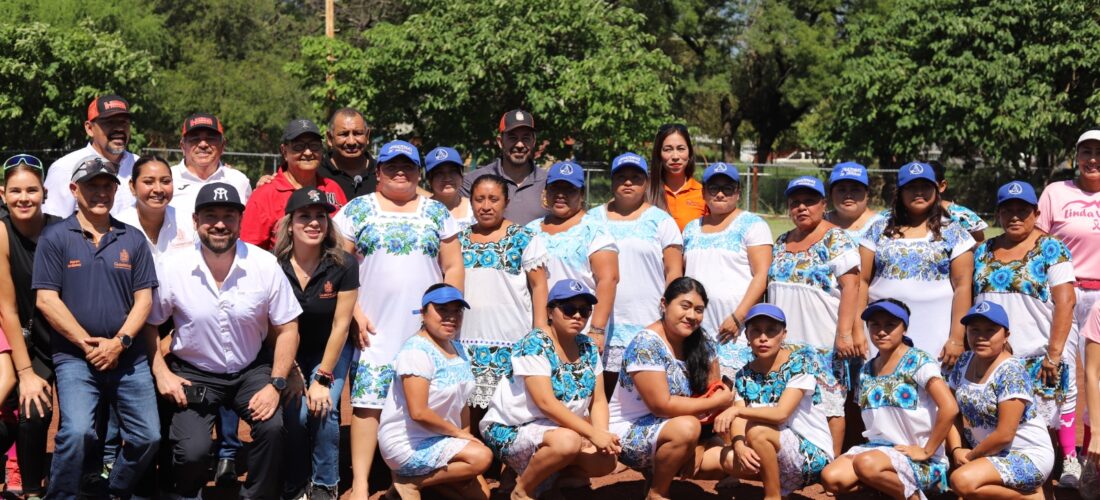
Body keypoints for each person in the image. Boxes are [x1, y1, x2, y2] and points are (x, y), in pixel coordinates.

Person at [145, 182, 301, 499]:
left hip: (250, 369)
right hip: (193, 370)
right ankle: (187, 494)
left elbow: (288, 327)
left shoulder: (264, 264)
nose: (219, 223)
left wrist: (276, 384)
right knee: (193, 451)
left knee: (272, 427)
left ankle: (256, 496)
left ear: (240, 221)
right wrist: (162, 373)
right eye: (210, 215)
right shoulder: (172, 267)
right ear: (195, 221)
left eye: (229, 216)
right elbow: (149, 325)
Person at [332, 140, 464, 499]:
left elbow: (452, 266)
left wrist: (447, 313)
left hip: (425, 329)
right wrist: (353, 312)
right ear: (378, 172)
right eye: (392, 166)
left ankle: (405, 480)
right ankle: (360, 483)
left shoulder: (437, 213)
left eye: (408, 166)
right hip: (373, 327)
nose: (400, 172)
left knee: (418, 403)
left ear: (419, 172)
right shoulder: (357, 210)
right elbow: (338, 265)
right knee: (367, 404)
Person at [32, 156, 160, 497]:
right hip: (75, 358)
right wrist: (88, 344)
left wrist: (119, 343)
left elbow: (144, 301)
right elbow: (46, 300)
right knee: (76, 433)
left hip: (128, 357)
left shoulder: (132, 239)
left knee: (148, 436)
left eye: (107, 186)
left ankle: (112, 489)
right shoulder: (55, 237)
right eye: (92, 186)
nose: (101, 192)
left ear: (117, 191)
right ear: (75, 190)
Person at [974, 180, 1080, 486]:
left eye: (1023, 210)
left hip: (1038, 347)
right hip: (996, 354)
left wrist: (1055, 352)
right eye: (1008, 210)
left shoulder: (1051, 248)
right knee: (1003, 413)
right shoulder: (983, 251)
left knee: (1055, 403)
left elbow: (1066, 300)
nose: (1015, 216)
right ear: (998, 214)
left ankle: (1068, 459)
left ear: (1035, 212)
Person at [480, 279, 620, 500]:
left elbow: (599, 400)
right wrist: (591, 433)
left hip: (559, 430)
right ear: (550, 311)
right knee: (568, 442)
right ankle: (522, 490)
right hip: (512, 427)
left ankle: (555, 476)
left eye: (584, 310)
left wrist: (601, 435)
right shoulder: (534, 343)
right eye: (568, 309)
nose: (577, 316)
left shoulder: (589, 347)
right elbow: (546, 403)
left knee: (605, 460)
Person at [607, 277, 737, 499]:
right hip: (630, 432)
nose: (692, 316)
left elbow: (714, 389)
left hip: (679, 427)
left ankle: (662, 470)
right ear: (664, 304)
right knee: (686, 428)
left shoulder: (701, 342)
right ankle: (658, 492)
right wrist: (718, 402)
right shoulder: (646, 343)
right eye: (684, 306)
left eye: (698, 310)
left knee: (735, 463)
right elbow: (662, 406)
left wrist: (700, 445)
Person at [820, 299, 958, 500]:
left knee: (865, 465)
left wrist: (927, 451)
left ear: (905, 328)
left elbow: (949, 407)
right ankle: (889, 490)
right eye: (875, 324)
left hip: (918, 458)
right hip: (878, 451)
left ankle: (914, 497)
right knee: (831, 478)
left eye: (890, 325)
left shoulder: (919, 361)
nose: (881, 331)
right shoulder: (867, 369)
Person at [274, 187, 359, 499]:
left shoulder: (344, 264)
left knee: (322, 408)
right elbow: (275, 326)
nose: (313, 223)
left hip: (331, 351)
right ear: (290, 223)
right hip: (291, 352)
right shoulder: (275, 265)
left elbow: (341, 325)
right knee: (295, 412)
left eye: (320, 217)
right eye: (304, 216)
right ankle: (296, 480)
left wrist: (322, 377)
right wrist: (292, 370)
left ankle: (325, 483)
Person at [769, 176, 862, 457]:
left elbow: (852, 285)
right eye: (795, 202)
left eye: (809, 201)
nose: (802, 208)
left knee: (829, 404)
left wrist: (844, 332)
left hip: (822, 340)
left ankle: (830, 463)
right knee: (788, 404)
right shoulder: (782, 240)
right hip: (785, 344)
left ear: (823, 204)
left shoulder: (836, 238)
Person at [378, 285, 492, 500]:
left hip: (442, 437)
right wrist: (459, 435)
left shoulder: (460, 349)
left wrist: (465, 438)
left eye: (457, 311)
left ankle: (416, 487)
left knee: (481, 496)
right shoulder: (415, 351)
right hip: (408, 442)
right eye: (442, 309)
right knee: (481, 458)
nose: (451, 317)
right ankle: (410, 483)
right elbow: (418, 412)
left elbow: (462, 404)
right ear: (423, 312)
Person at [713, 304, 834, 499]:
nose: (763, 338)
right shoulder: (743, 374)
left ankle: (773, 496)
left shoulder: (800, 364)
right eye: (756, 331)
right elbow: (739, 420)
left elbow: (780, 414)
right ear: (747, 336)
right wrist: (739, 446)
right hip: (775, 447)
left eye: (771, 330)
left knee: (758, 431)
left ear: (784, 334)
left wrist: (737, 412)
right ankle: (777, 481)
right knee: (729, 459)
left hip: (811, 454)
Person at [859, 162, 975, 366]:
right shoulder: (878, 228)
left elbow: (963, 287)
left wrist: (957, 338)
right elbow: (861, 281)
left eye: (925, 186)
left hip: (934, 334)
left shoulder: (954, 232)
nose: (919, 192)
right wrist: (856, 329)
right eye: (911, 187)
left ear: (937, 190)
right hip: (882, 333)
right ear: (900, 192)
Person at [459, 174, 548, 427]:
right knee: (471, 412)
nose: (486, 206)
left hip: (511, 339)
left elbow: (539, 285)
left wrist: (539, 330)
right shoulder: (459, 239)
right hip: (467, 339)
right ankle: (477, 465)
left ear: (506, 201)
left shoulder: (524, 238)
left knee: (508, 412)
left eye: (493, 199)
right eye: (479, 199)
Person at [589, 152, 683, 390]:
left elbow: (674, 273)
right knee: (603, 394)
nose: (628, 182)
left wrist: (669, 316)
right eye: (621, 177)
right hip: (601, 324)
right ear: (612, 181)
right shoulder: (591, 219)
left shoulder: (662, 221)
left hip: (646, 320)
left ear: (646, 183)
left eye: (635, 177)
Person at [946, 302, 1055, 499]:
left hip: (1027, 455)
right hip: (987, 455)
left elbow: (1005, 435)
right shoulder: (963, 361)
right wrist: (956, 450)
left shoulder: (1011, 371)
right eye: (974, 330)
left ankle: (1030, 498)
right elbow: (951, 411)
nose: (981, 337)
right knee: (962, 483)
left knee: (961, 481)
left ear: (1006, 336)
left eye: (990, 331)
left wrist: (969, 457)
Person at [0, 154, 60, 497]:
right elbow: (7, 309)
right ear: (3, 194)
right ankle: (32, 488)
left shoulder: (62, 228)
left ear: (45, 192)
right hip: (18, 338)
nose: (24, 197)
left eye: (32, 190)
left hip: (59, 338)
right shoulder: (2, 232)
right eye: (16, 190)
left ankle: (75, 477)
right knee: (32, 410)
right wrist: (24, 371)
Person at [1043, 130, 1100, 476]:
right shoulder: (1056, 192)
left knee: (1098, 376)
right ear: (1076, 157)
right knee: (1062, 372)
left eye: (1099, 152)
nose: (1093, 159)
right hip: (1064, 292)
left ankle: (1093, 454)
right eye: (1086, 152)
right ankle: (1067, 457)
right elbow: (1039, 239)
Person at [682, 163, 771, 378]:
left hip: (734, 330)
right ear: (703, 192)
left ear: (738, 193)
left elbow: (762, 275)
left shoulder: (752, 224)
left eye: (727, 188)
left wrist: (738, 317)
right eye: (713, 188)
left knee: (733, 395)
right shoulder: (691, 228)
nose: (720, 193)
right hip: (697, 328)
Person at [525, 161, 618, 353]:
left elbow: (608, 279)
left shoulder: (595, 229)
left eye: (569, 189)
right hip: (537, 330)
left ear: (582, 194)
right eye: (555, 188)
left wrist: (597, 330)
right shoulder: (530, 230)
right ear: (546, 192)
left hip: (579, 330)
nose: (561, 194)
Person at [242, 118, 347, 250]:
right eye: (299, 146)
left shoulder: (333, 188)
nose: (308, 152)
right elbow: (250, 251)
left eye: (314, 145)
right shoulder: (265, 195)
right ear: (284, 151)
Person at [42, 95, 137, 217]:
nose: (119, 129)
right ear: (89, 128)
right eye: (110, 122)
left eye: (124, 123)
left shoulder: (140, 166)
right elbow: (54, 226)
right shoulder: (65, 168)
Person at [460, 109, 548, 225]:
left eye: (526, 138)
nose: (520, 145)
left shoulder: (549, 182)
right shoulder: (474, 181)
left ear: (533, 142)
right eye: (513, 138)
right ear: (500, 141)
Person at [170, 113, 253, 222]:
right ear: (183, 146)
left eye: (210, 138)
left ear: (222, 145)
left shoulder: (239, 181)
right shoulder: (167, 180)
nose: (203, 144)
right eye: (195, 139)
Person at [117, 155, 194, 256]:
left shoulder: (189, 224)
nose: (158, 189)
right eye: (148, 182)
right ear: (132, 186)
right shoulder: (118, 228)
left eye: (165, 181)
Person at [647, 124, 706, 231]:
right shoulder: (645, 192)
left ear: (689, 153)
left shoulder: (703, 193)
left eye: (681, 149)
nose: (675, 156)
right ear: (658, 153)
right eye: (668, 149)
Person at [319, 107, 377, 200]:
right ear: (330, 138)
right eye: (344, 134)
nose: (351, 142)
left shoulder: (382, 174)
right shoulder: (316, 176)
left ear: (367, 136)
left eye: (357, 133)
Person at [823, 162, 884, 241]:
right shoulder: (820, 222)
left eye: (855, 190)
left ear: (867, 194)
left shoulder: (882, 226)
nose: (848, 195)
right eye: (841, 190)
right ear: (831, 193)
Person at [930, 160, 987, 242]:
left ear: (942, 186)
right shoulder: (908, 216)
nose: (919, 191)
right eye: (913, 186)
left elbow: (979, 246)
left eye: (928, 185)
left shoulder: (961, 216)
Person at [426, 147, 474, 229]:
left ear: (461, 175)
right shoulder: (422, 210)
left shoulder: (475, 208)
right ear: (429, 180)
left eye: (453, 171)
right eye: (439, 173)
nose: (447, 178)